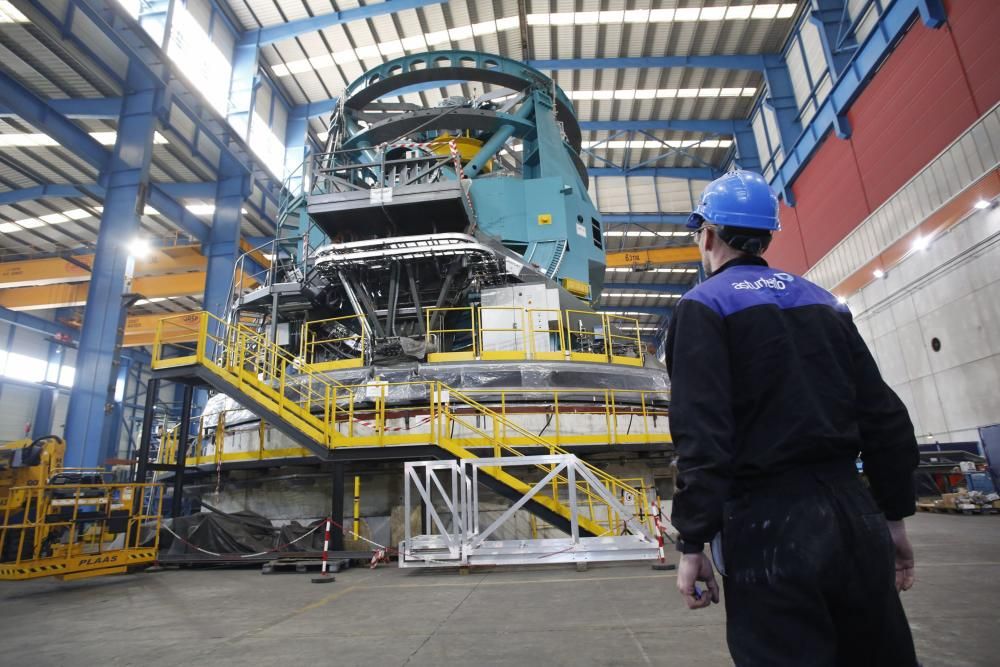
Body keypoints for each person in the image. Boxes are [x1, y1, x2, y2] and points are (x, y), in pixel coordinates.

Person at [664, 170, 919, 666]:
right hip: (856, 516)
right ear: (765, 235)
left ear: (708, 233)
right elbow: (886, 418)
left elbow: (703, 439)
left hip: (769, 529)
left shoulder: (702, 308)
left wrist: (692, 542)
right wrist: (892, 517)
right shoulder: (822, 302)